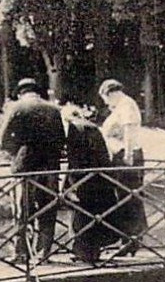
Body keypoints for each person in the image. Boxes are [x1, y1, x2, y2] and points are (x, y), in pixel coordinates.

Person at [0, 78, 66, 263]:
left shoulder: (18, 107)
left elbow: (3, 139)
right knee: (47, 208)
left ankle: (20, 253)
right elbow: (61, 138)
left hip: (25, 166)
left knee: (22, 209)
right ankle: (43, 253)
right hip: (50, 166)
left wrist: (18, 152)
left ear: (20, 92)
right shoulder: (53, 109)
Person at [61, 104, 121, 264]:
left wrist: (71, 184)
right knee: (97, 215)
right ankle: (93, 252)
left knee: (82, 215)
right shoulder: (92, 127)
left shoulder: (74, 129)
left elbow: (75, 160)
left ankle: (84, 252)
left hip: (85, 180)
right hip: (100, 179)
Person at [98, 79, 146, 257]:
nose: (106, 103)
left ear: (111, 93)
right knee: (123, 197)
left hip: (127, 157)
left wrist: (127, 155)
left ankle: (131, 240)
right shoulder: (121, 107)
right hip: (121, 156)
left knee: (129, 197)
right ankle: (126, 238)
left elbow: (128, 130)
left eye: (105, 98)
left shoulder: (126, 105)